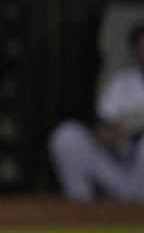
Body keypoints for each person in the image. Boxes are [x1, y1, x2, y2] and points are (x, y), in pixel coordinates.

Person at [49, 23, 144, 201]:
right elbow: (101, 130)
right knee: (66, 136)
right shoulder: (123, 83)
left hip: (139, 173)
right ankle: (81, 209)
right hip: (117, 163)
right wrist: (127, 131)